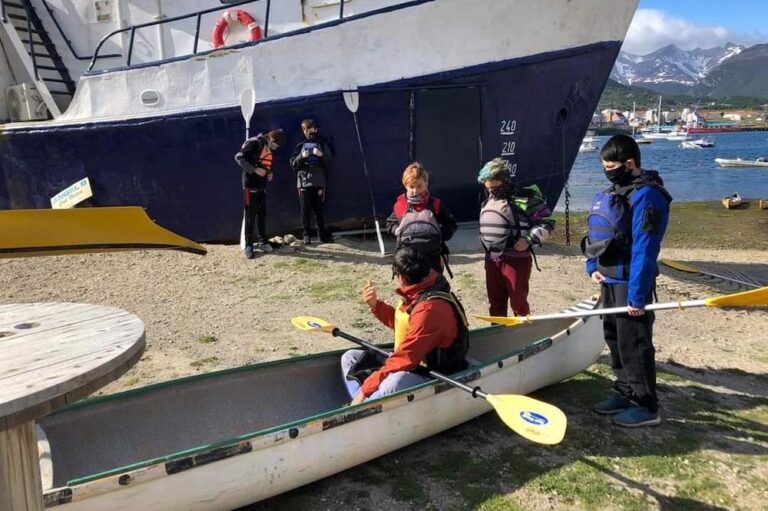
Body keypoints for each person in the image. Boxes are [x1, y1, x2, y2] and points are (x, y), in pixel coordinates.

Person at [581, 134, 672, 428]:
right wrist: (593, 265)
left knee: (634, 341)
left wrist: (637, 295)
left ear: (629, 163)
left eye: (611, 165)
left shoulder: (648, 196)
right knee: (615, 338)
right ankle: (625, 390)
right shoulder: (616, 191)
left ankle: (647, 404)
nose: (607, 170)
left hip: (630, 282)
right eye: (604, 165)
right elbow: (600, 232)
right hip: (607, 280)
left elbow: (646, 248)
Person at [340, 247, 468, 405]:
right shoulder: (420, 290)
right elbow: (403, 324)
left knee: (394, 382)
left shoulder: (429, 309)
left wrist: (366, 390)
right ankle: (367, 401)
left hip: (434, 371)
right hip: (414, 359)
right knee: (349, 357)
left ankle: (361, 404)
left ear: (401, 277)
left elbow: (406, 357)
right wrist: (376, 306)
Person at [477, 157, 555, 317]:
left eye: (495, 188)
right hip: (492, 260)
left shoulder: (525, 198)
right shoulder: (488, 202)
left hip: (516, 260)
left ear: (505, 180)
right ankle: (497, 335)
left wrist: (529, 240)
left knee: (518, 303)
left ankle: (522, 334)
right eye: (488, 189)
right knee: (496, 303)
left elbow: (547, 222)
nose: (492, 192)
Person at [386, 162, 457, 275]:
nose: (415, 190)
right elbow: (389, 224)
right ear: (405, 185)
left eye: (419, 186)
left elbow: (451, 224)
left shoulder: (435, 203)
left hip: (432, 256)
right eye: (411, 187)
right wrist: (397, 230)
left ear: (426, 183)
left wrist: (440, 237)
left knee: (434, 286)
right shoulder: (400, 204)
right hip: (407, 257)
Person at [235, 129, 286, 259]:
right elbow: (239, 157)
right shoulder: (255, 143)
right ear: (271, 139)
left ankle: (263, 241)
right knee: (250, 215)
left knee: (261, 214)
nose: (275, 148)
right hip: (250, 185)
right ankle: (249, 245)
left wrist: (268, 174)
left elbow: (262, 164)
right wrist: (254, 170)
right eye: (275, 145)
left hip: (261, 186)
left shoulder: (266, 147)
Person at [289, 118, 334, 244]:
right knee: (305, 210)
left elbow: (330, 163)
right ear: (303, 131)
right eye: (306, 130)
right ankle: (306, 235)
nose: (309, 132)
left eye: (311, 129)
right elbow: (293, 164)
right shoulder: (299, 146)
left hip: (318, 181)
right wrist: (301, 157)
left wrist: (321, 155)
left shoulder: (322, 144)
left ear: (316, 129)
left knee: (319, 210)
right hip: (303, 182)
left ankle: (322, 235)